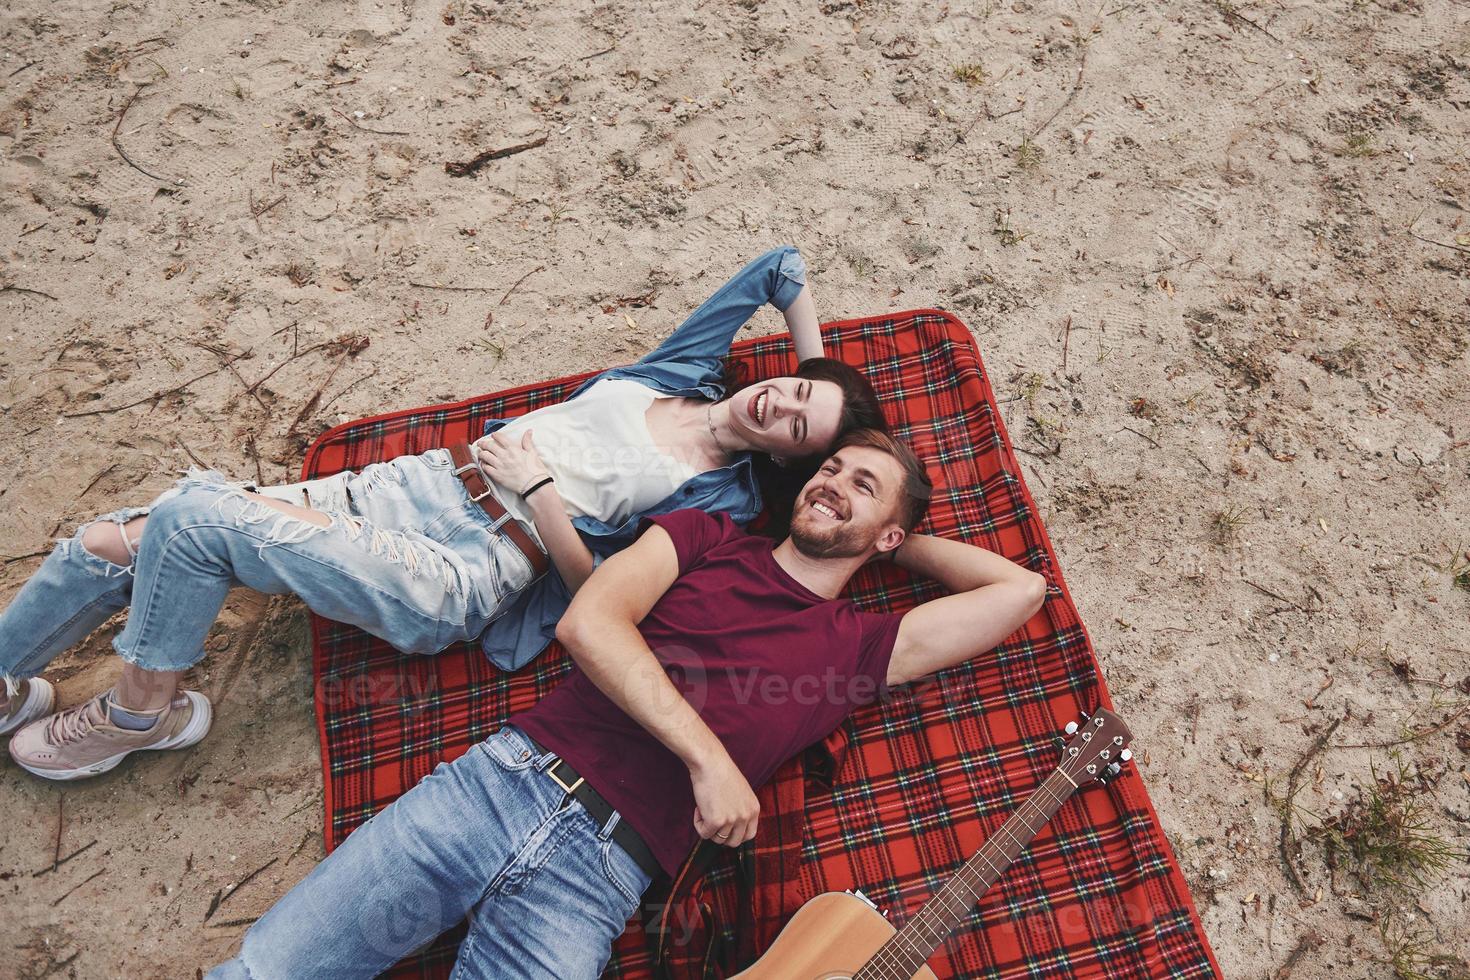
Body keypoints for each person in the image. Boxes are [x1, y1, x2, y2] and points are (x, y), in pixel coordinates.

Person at [1, 246, 886, 781]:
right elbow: (781, 267)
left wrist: (540, 498)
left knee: (193, 517)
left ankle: (139, 715)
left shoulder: (718, 500)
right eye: (794, 389)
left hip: (470, 567)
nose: (781, 403)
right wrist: (839, 392)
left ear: (787, 458)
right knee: (105, 545)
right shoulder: (679, 372)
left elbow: (605, 602)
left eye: (799, 424)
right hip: (397, 490)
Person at [205, 428, 1049, 979]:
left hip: (599, 878)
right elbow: (591, 621)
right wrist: (709, 759)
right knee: (268, 973)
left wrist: (886, 544)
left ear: (890, 533)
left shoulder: (864, 647)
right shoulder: (705, 539)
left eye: (861, 486)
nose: (831, 484)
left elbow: (1020, 590)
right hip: (499, 788)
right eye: (828, 469)